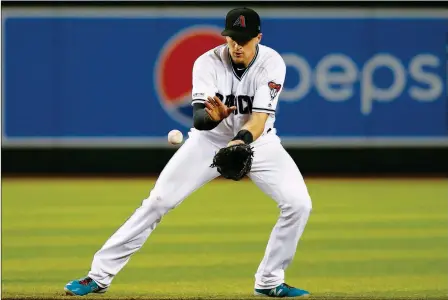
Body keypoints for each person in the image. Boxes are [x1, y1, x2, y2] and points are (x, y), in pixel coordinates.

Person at [64, 7, 312, 298]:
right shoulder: (207, 63)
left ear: (258, 37)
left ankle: (269, 281)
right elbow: (198, 119)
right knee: (157, 202)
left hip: (260, 143)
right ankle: (98, 276)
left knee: (299, 204)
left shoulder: (272, 63)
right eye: (232, 38)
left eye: (243, 39)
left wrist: (240, 141)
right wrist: (214, 119)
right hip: (207, 142)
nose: (236, 45)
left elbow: (258, 120)